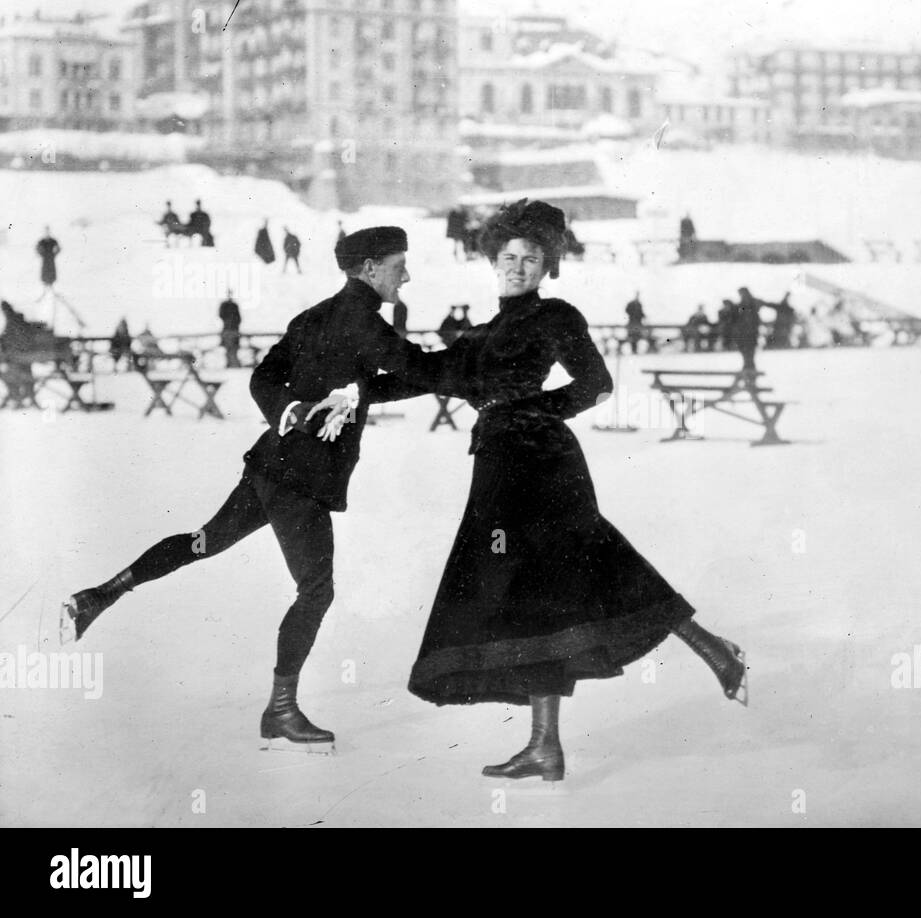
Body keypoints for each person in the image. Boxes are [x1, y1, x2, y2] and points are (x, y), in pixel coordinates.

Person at [383, 198, 747, 782]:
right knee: (537, 587)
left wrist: (531, 409)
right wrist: (361, 375)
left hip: (543, 460)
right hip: (499, 465)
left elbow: (597, 385)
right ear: (492, 262)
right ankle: (548, 744)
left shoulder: (556, 316)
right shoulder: (483, 333)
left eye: (531, 258)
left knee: (571, 569)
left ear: (548, 265)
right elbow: (425, 373)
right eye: (509, 257)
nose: (519, 267)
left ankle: (707, 651)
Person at [60, 227, 455, 749]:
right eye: (399, 264)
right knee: (316, 590)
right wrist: (471, 362)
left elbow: (265, 378)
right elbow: (419, 366)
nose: (406, 274)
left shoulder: (313, 316)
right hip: (302, 482)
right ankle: (282, 712)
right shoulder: (365, 321)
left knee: (206, 540)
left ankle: (99, 595)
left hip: (270, 466)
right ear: (369, 268)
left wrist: (301, 408)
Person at [734, 287, 764, 372]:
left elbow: (743, 314)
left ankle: (748, 367)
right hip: (747, 331)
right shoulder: (746, 303)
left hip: (748, 331)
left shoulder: (747, 303)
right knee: (747, 351)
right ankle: (748, 366)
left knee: (748, 351)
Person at [219, 291, 242, 368]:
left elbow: (239, 318)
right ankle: (231, 363)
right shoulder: (225, 305)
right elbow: (221, 315)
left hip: (233, 329)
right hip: (228, 329)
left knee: (233, 348)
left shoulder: (234, 305)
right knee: (229, 347)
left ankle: (233, 364)